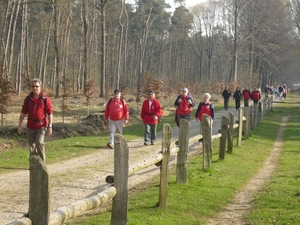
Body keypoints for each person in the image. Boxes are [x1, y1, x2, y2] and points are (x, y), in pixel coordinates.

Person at [17, 78, 53, 163]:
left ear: (40, 87)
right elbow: (23, 113)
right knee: (32, 146)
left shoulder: (45, 99)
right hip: (30, 125)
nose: (35, 88)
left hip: (42, 125)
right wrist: (20, 125)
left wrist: (50, 126)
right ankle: (33, 165)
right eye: (33, 86)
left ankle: (42, 163)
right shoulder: (28, 99)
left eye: (36, 86)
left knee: (39, 142)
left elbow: (50, 114)